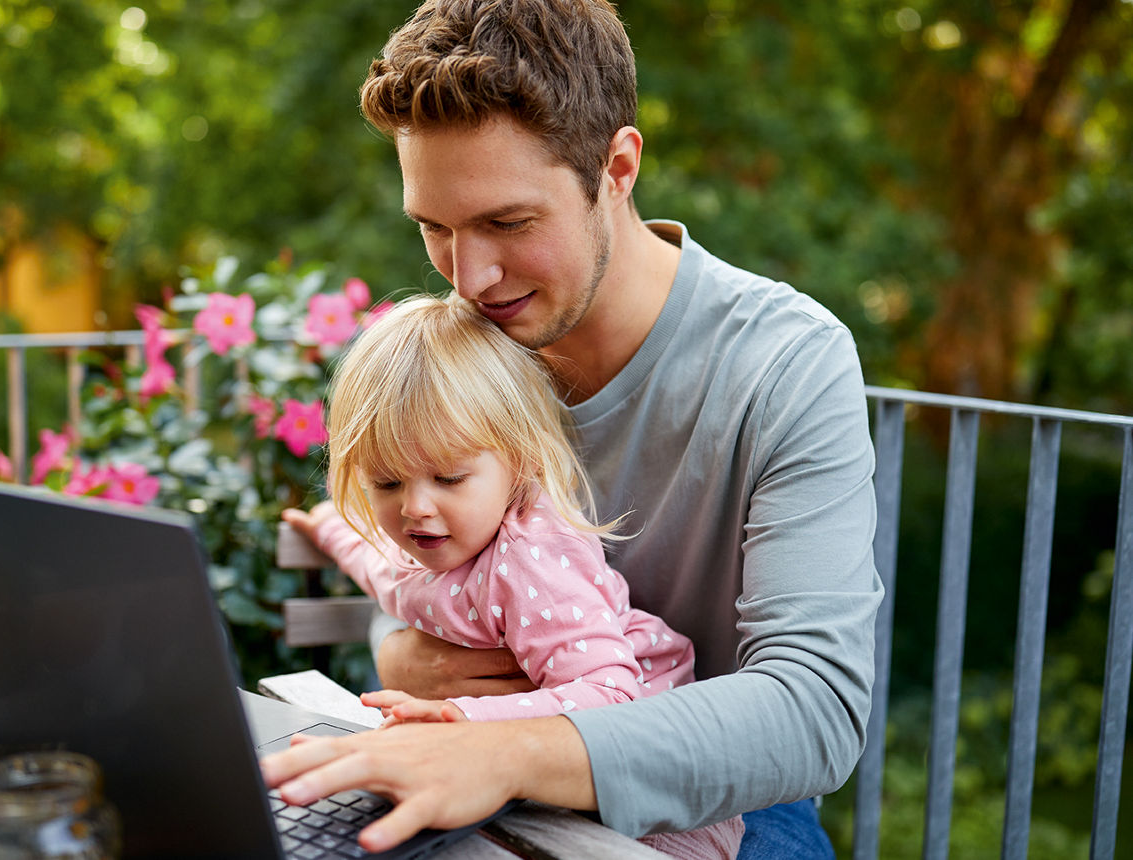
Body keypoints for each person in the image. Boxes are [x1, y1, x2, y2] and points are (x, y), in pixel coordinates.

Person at [260, 1, 884, 857]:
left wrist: (505, 750)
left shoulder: (786, 364)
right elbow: (419, 565)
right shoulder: (467, 345)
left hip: (713, 807)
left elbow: (816, 710)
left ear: (617, 167)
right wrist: (405, 654)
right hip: (474, 758)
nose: (470, 277)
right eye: (434, 229)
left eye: (507, 224)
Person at [281, 292, 745, 859]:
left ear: (518, 461)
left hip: (657, 797)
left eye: (449, 478)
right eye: (386, 484)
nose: (415, 508)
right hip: (530, 779)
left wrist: (465, 716)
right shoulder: (421, 547)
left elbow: (612, 697)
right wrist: (327, 525)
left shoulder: (531, 560)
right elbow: (376, 564)